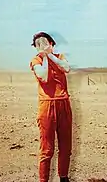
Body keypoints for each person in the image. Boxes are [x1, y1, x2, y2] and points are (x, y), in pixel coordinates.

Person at [29, 32, 72, 182]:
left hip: (64, 104)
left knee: (66, 146)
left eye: (45, 43)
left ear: (52, 44)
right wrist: (45, 57)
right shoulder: (36, 60)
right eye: (38, 45)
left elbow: (66, 68)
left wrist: (50, 55)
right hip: (47, 106)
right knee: (47, 148)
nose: (42, 47)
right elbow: (44, 77)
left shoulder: (60, 57)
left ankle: (64, 178)